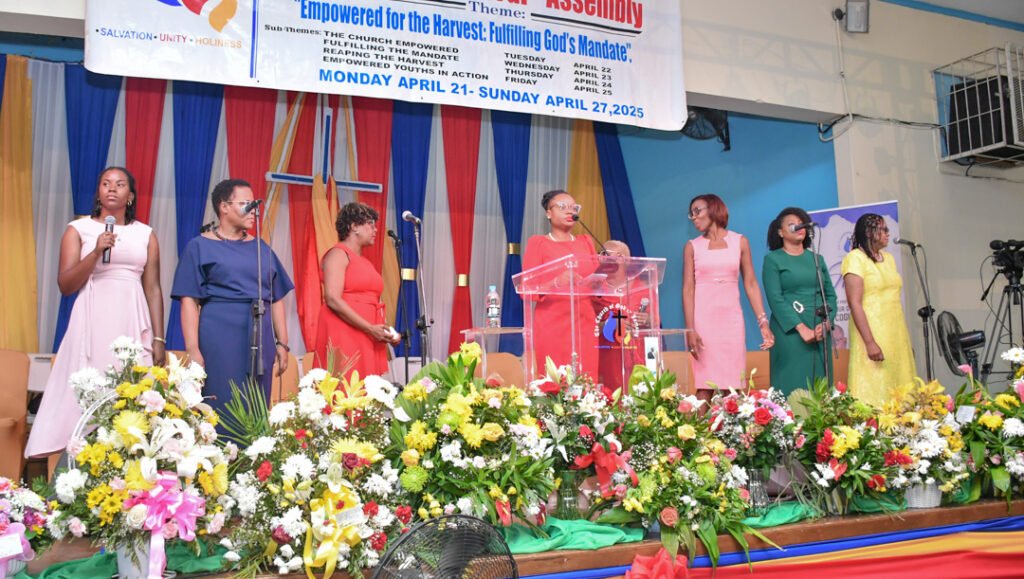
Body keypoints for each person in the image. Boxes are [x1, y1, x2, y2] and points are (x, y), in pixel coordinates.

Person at [26, 167, 165, 458]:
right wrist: (95, 252)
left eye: (120, 184)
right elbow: (65, 284)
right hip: (92, 317)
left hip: (131, 315)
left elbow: (152, 288)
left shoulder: (146, 234)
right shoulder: (79, 229)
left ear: (130, 196)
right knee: (88, 388)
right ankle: (74, 463)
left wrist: (159, 339)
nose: (111, 188)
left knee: (131, 391)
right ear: (98, 192)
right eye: (105, 183)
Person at [172, 179, 294, 417]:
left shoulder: (261, 248)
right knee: (221, 398)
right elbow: (189, 301)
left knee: (256, 402)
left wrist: (283, 342)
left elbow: (275, 296)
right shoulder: (199, 247)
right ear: (224, 207)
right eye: (245, 204)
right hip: (218, 334)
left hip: (260, 332)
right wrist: (193, 349)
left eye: (255, 204)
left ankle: (255, 452)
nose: (254, 210)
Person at [683, 194, 773, 397]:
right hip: (703, 322)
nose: (694, 217)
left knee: (733, 386)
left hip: (731, 321)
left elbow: (750, 283)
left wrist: (763, 322)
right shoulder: (692, 246)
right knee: (705, 386)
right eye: (691, 214)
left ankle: (734, 429)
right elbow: (688, 289)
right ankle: (695, 429)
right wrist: (690, 329)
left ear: (714, 208)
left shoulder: (740, 242)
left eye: (698, 211)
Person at [313, 202, 399, 377]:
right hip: (345, 331)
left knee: (364, 386)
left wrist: (384, 330)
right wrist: (369, 328)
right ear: (354, 226)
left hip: (365, 332)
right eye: (370, 224)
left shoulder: (365, 262)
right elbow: (332, 298)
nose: (375, 230)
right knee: (345, 384)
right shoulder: (338, 254)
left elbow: (370, 301)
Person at [523, 190, 599, 378]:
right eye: (562, 207)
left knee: (586, 377)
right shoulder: (538, 243)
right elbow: (526, 288)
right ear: (548, 213)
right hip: (552, 322)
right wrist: (556, 282)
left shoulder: (586, 241)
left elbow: (598, 280)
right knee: (555, 380)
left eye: (574, 207)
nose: (569, 211)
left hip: (585, 321)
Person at [841, 213, 915, 406]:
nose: (888, 234)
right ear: (868, 232)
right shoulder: (854, 259)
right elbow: (854, 303)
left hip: (895, 331)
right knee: (875, 383)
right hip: (871, 331)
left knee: (900, 382)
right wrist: (870, 342)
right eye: (883, 229)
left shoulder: (889, 258)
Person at [762, 207, 838, 394]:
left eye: (802, 222)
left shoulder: (817, 259)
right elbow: (775, 299)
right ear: (780, 232)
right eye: (792, 224)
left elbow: (831, 296)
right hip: (791, 331)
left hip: (819, 327)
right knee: (792, 383)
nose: (799, 226)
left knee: (820, 387)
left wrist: (827, 323)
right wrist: (802, 329)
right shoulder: (773, 259)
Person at [594, 240, 654, 397]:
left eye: (604, 254)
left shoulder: (643, 289)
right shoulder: (594, 290)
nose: (599, 258)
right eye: (599, 254)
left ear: (621, 258)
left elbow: (656, 323)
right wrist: (608, 324)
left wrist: (647, 319)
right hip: (606, 358)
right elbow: (587, 326)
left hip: (638, 359)